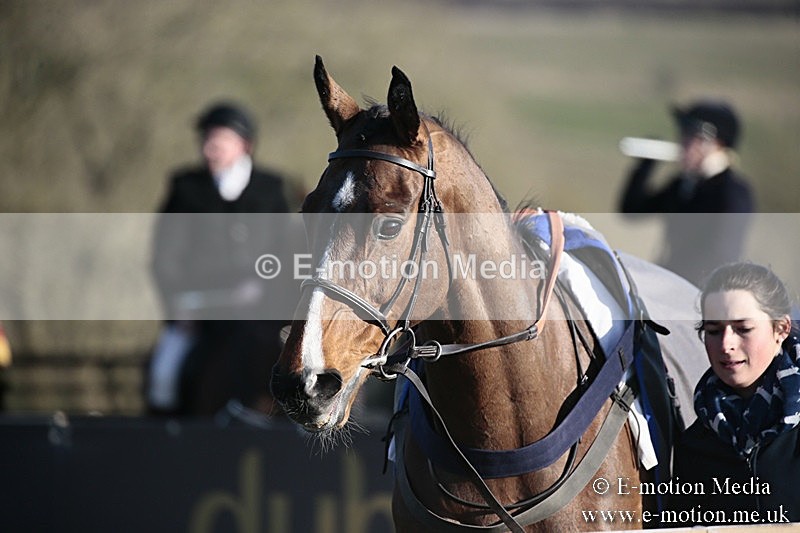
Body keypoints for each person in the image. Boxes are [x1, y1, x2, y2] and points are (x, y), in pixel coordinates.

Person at [148, 101, 292, 417]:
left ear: (245, 145)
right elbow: (165, 256)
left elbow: (286, 252)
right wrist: (178, 306)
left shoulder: (271, 189)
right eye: (207, 139)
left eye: (220, 140)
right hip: (200, 310)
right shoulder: (185, 188)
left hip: (260, 311)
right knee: (163, 376)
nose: (211, 147)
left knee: (299, 363)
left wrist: (266, 290)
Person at [668, 262, 800, 523]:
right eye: (714, 331)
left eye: (743, 329)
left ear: (781, 329)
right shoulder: (694, 445)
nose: (726, 344)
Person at [619, 100, 754, 286]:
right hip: (669, 283)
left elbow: (722, 253)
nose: (682, 142)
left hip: (704, 292)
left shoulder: (732, 192)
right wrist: (645, 166)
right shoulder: (682, 185)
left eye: (692, 136)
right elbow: (632, 210)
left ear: (716, 144)